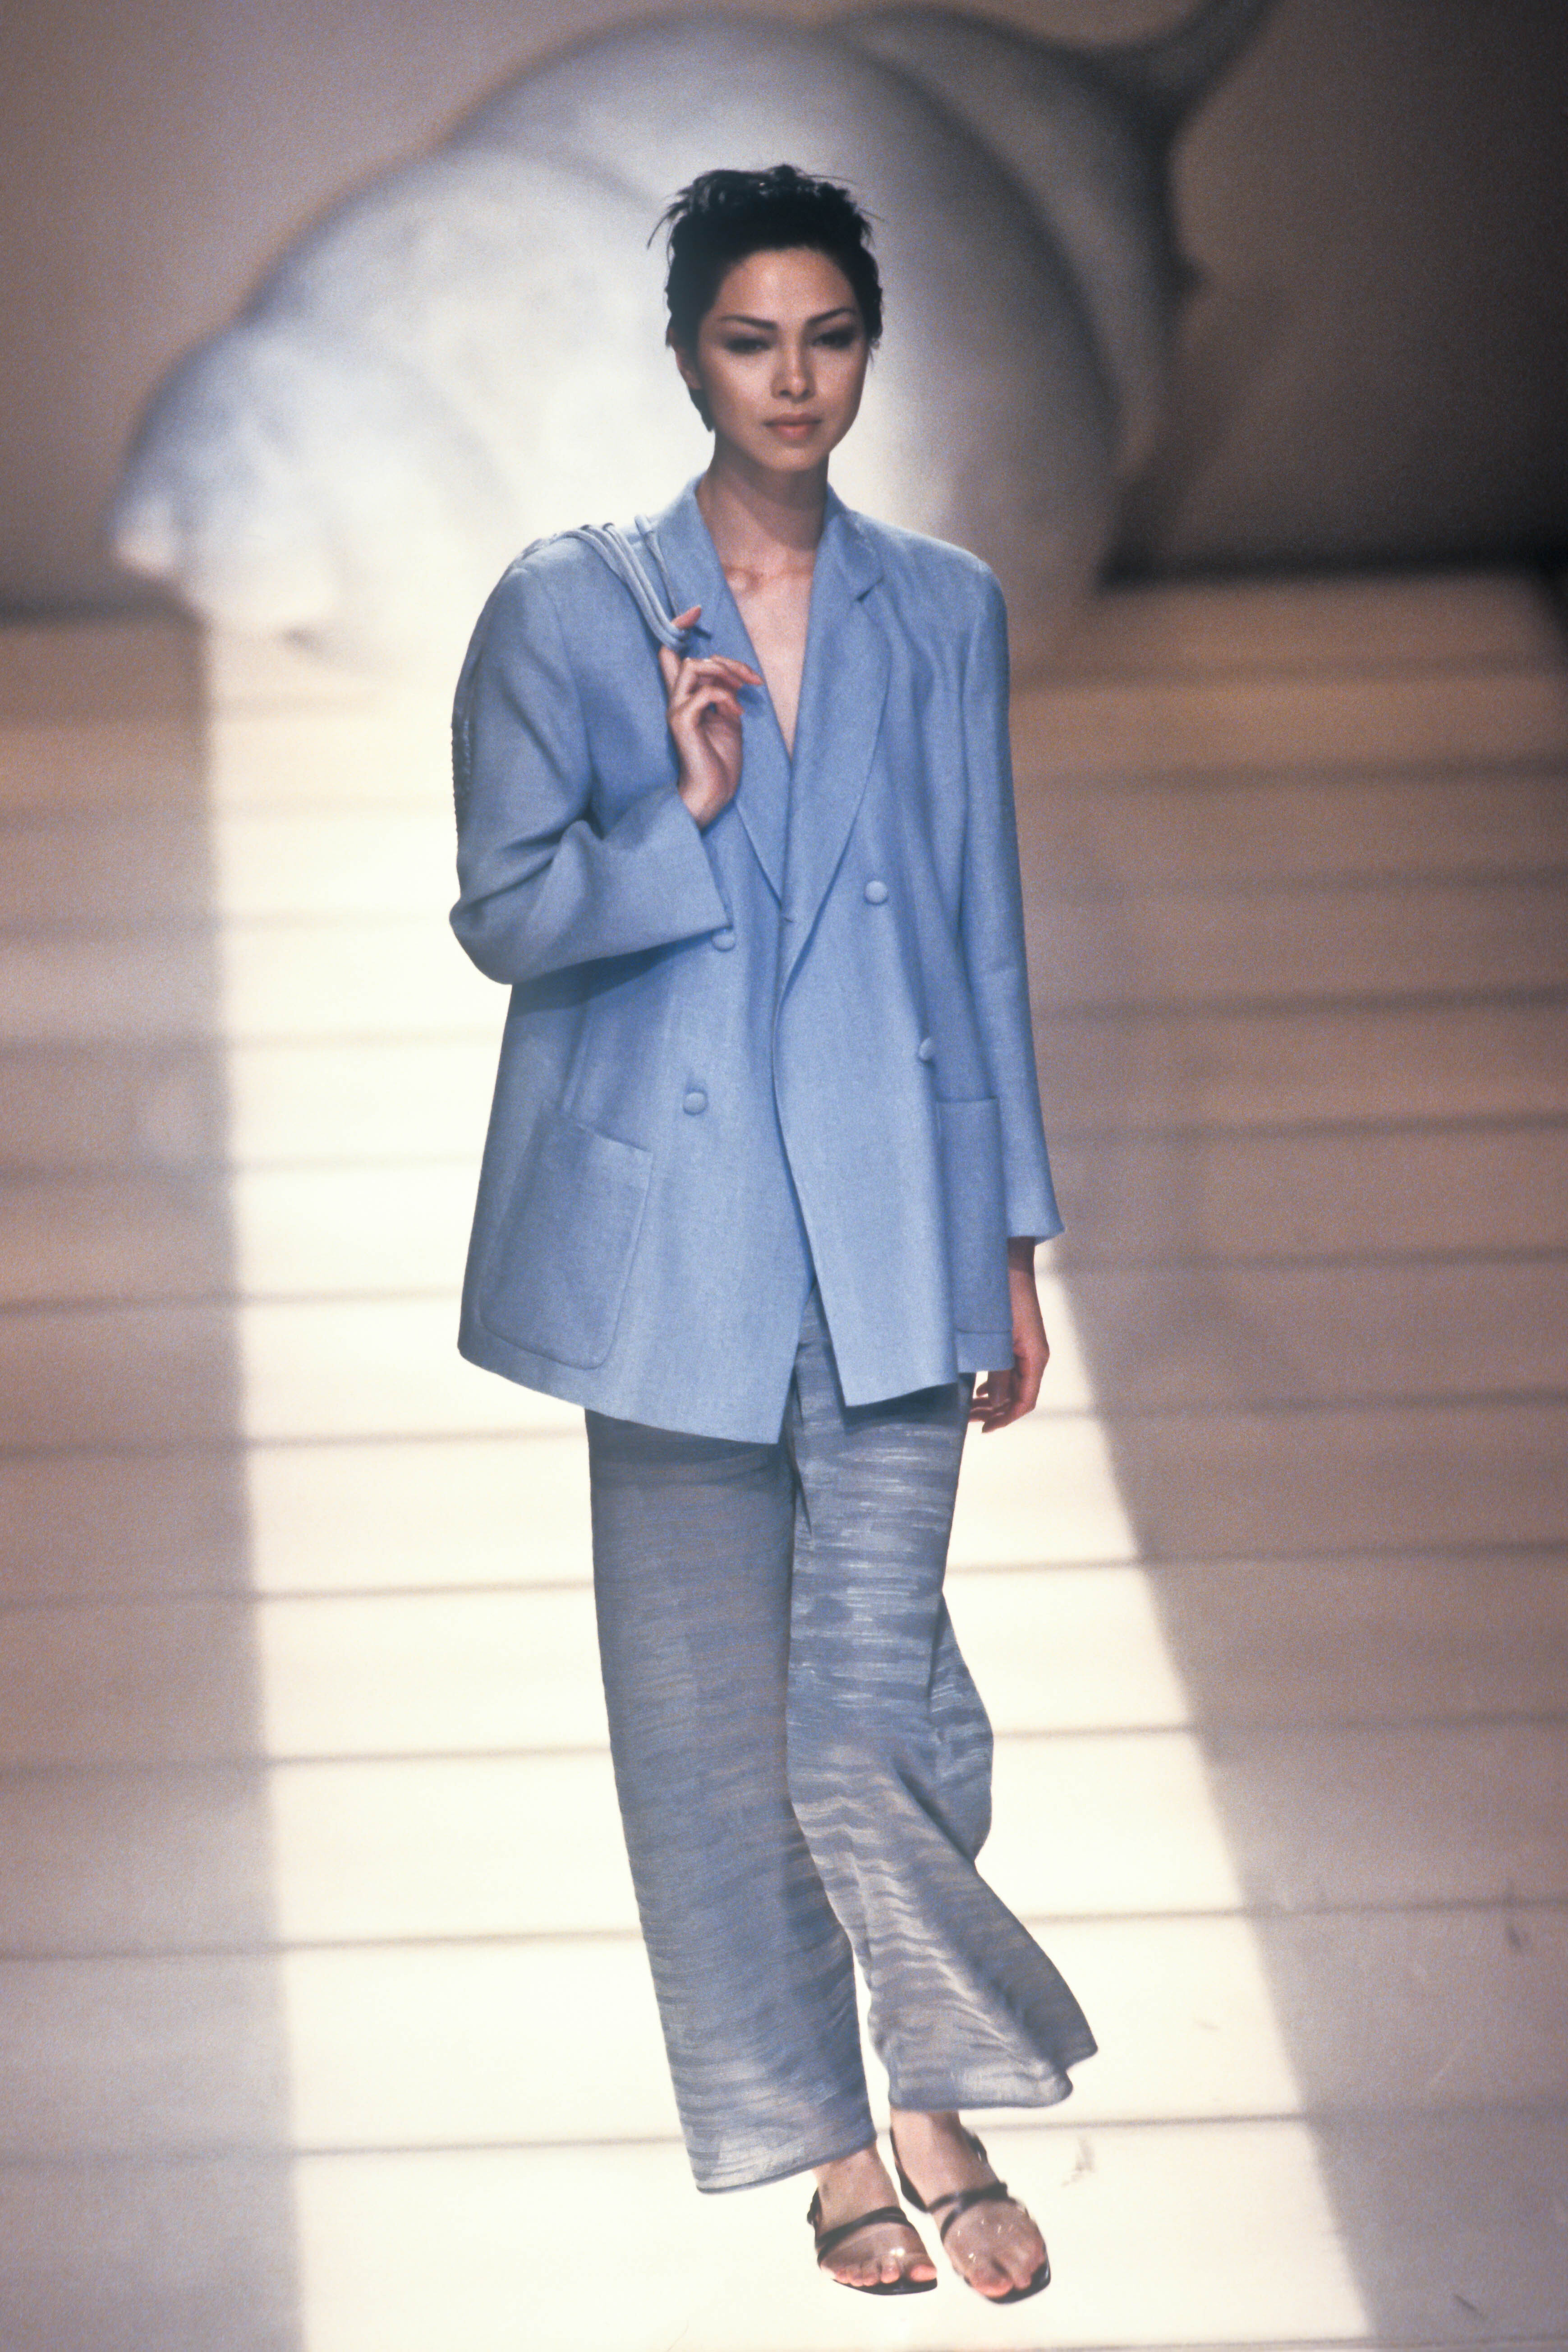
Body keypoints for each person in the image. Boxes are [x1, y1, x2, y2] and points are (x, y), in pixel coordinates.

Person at [450, 163, 1094, 2303]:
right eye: (752, 338)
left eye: (827, 337)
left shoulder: (946, 606)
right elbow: (503, 911)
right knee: (712, 1733)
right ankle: (834, 2141)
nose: (793, 378)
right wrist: (683, 815)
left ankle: (945, 2088)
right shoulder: (572, 610)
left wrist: (1015, 1235)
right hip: (681, 1238)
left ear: (868, 352)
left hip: (899, 1214)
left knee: (871, 1708)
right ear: (687, 359)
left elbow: (982, 935)